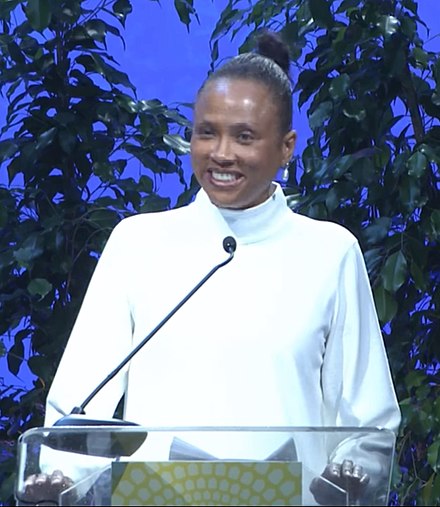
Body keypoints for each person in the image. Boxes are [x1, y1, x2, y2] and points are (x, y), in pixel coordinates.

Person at [20, 32, 401, 505]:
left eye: (244, 136)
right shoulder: (138, 242)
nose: (221, 153)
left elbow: (367, 421)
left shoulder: (329, 252)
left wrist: (355, 475)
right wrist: (62, 478)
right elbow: (77, 411)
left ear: (287, 147)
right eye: (206, 132)